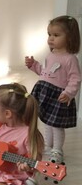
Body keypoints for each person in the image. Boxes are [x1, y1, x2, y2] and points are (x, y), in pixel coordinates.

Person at [25, 15, 81, 163]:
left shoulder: (70, 59)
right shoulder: (51, 55)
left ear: (70, 37)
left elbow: (75, 79)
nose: (51, 38)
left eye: (56, 35)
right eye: (49, 34)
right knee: (47, 122)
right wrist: (33, 65)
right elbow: (44, 72)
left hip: (58, 95)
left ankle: (57, 150)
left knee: (56, 126)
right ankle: (48, 147)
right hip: (45, 92)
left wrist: (68, 93)